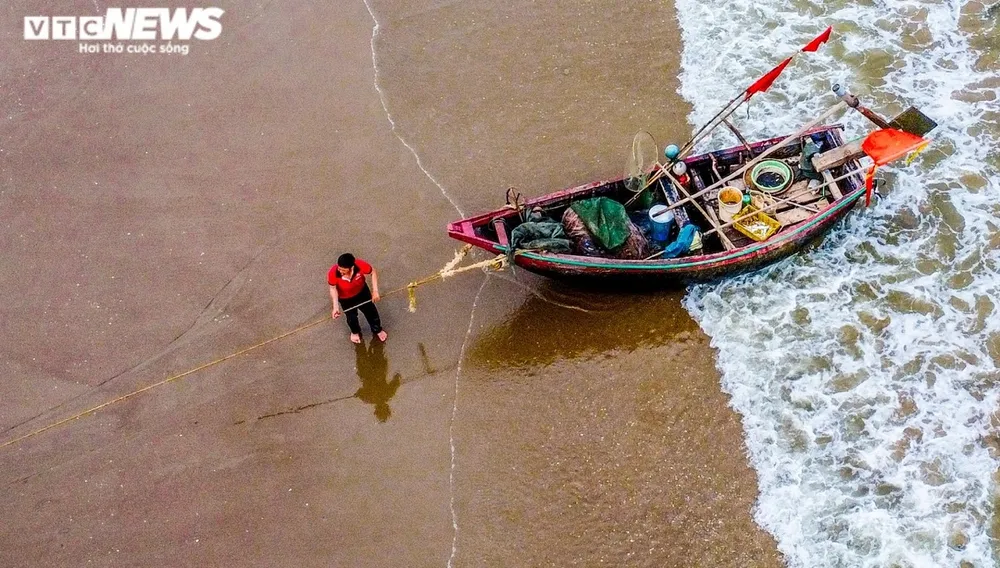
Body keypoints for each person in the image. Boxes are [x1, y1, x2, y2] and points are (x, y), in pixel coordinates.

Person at [328, 253, 387, 344]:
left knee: (371, 312)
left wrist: (375, 291)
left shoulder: (359, 265)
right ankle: (355, 332)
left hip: (362, 292)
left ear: (351, 267)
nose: (340, 271)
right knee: (351, 318)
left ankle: (377, 329)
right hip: (345, 298)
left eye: (343, 270)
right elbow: (333, 288)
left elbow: (373, 272)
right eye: (339, 268)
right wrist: (335, 307)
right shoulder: (333, 272)